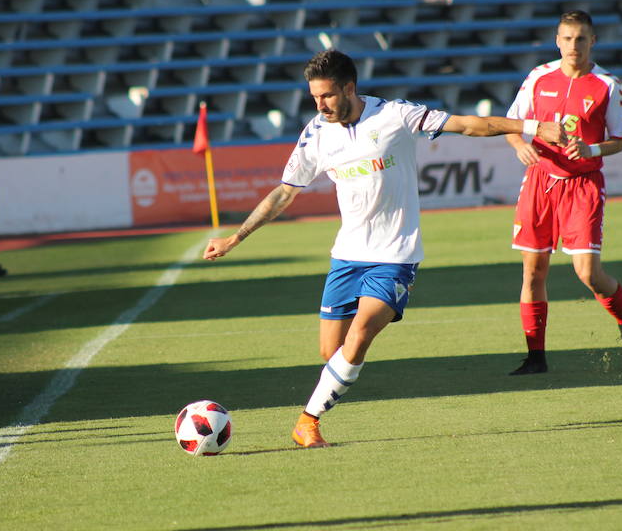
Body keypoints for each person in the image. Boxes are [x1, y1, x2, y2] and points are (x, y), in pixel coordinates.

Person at [204, 49, 567, 447]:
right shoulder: (316, 134)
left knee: (360, 335)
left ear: (348, 87)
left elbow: (467, 124)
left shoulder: (395, 115)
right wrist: (235, 237)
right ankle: (323, 400)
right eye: (314, 98)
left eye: (326, 95)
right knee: (332, 352)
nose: (320, 105)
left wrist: (534, 126)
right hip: (346, 256)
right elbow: (284, 194)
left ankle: (306, 423)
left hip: (395, 256)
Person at [504, 10, 622, 375]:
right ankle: (536, 357)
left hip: (582, 185)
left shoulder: (607, 85)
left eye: (580, 38)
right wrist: (519, 144)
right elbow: (510, 124)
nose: (573, 46)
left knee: (588, 273)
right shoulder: (538, 77)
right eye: (566, 38)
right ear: (557, 41)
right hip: (540, 181)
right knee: (533, 272)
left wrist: (591, 150)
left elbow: (619, 141)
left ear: (592, 41)